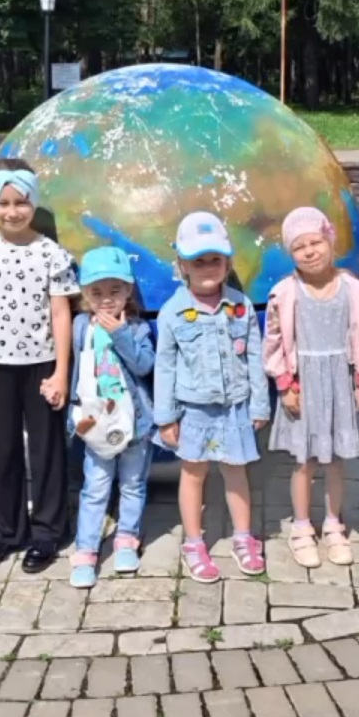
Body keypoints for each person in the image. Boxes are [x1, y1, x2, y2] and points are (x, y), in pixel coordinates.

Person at [0, 162, 78, 574]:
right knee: (4, 449)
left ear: (33, 203)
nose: (12, 211)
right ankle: (4, 530)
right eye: (4, 203)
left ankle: (48, 530)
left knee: (46, 450)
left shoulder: (51, 254)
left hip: (42, 366)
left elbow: (60, 314)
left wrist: (61, 371)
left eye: (21, 202)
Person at [155, 212, 271, 584]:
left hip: (235, 406)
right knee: (193, 474)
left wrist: (259, 403)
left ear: (227, 262)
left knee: (237, 471)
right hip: (193, 410)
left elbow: (255, 357)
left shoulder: (240, 306)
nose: (208, 267)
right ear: (182, 265)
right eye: (198, 260)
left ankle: (243, 536)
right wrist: (165, 417)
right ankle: (193, 542)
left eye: (215, 259)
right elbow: (165, 367)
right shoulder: (172, 312)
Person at [263, 207, 359, 568]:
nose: (309, 251)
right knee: (304, 461)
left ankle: (333, 523)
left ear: (330, 241)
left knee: (335, 462)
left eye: (315, 242)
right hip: (303, 385)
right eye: (299, 247)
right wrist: (284, 385)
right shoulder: (285, 293)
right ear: (290, 253)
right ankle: (301, 527)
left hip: (339, 382)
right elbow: (273, 343)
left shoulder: (355, 290)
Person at [68, 247, 157, 588]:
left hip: (134, 423)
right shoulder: (80, 326)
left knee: (132, 483)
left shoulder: (137, 327)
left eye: (115, 290)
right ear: (85, 294)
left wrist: (120, 333)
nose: (106, 299)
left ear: (128, 291)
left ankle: (127, 538)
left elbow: (144, 366)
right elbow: (75, 370)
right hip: (96, 425)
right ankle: (86, 550)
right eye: (97, 292)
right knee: (95, 487)